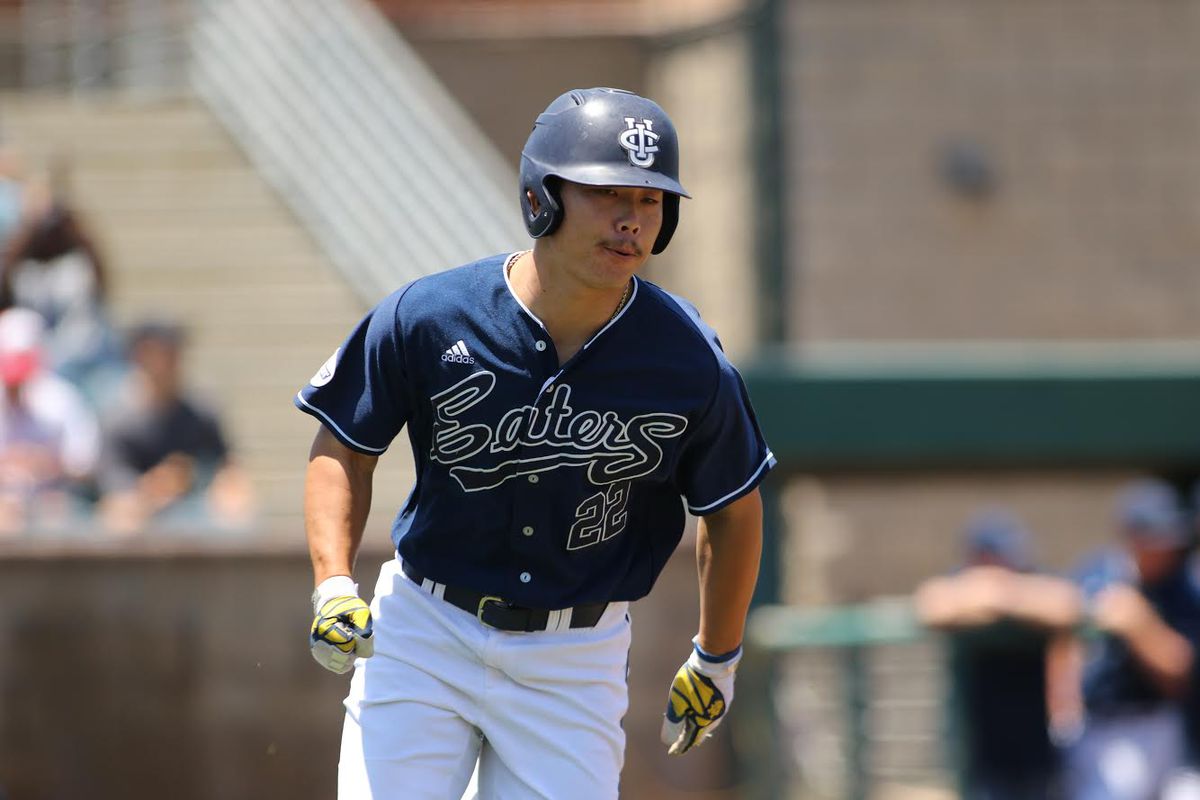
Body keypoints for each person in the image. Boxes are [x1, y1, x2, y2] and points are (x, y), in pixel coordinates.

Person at [295, 87, 775, 799]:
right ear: (540, 198)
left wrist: (718, 658)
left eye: (650, 201)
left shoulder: (689, 359)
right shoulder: (431, 314)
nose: (631, 220)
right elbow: (343, 446)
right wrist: (334, 583)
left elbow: (734, 511)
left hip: (574, 657)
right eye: (608, 193)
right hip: (428, 630)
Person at [915, 510, 1082, 799]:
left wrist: (1005, 595)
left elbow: (1067, 605)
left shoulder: (1032, 580)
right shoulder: (957, 581)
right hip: (976, 745)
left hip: (1034, 743)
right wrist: (985, 595)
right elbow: (932, 605)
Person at [1066, 479, 1200, 800]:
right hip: (1100, 726)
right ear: (1131, 537)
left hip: (1160, 724)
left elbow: (1179, 672)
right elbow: (1063, 638)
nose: (1166, 549)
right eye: (1156, 539)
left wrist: (1140, 625)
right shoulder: (1097, 573)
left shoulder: (1181, 587)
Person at [97, 321, 254, 534]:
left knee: (234, 502)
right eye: (160, 353)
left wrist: (223, 487)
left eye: (173, 353)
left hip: (196, 507)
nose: (168, 362)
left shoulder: (201, 411)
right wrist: (157, 486)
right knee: (120, 516)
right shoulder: (119, 418)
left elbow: (227, 466)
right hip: (139, 514)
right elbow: (116, 490)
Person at [0, 195, 122, 397]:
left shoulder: (78, 269)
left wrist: (72, 225)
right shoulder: (24, 271)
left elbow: (100, 279)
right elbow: (5, 284)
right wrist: (31, 227)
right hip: (27, 372)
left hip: (79, 369)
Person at [0, 307, 99, 533]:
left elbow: (85, 465)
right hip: (5, 505)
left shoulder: (63, 399)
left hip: (57, 502)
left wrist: (45, 465)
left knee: (56, 510)